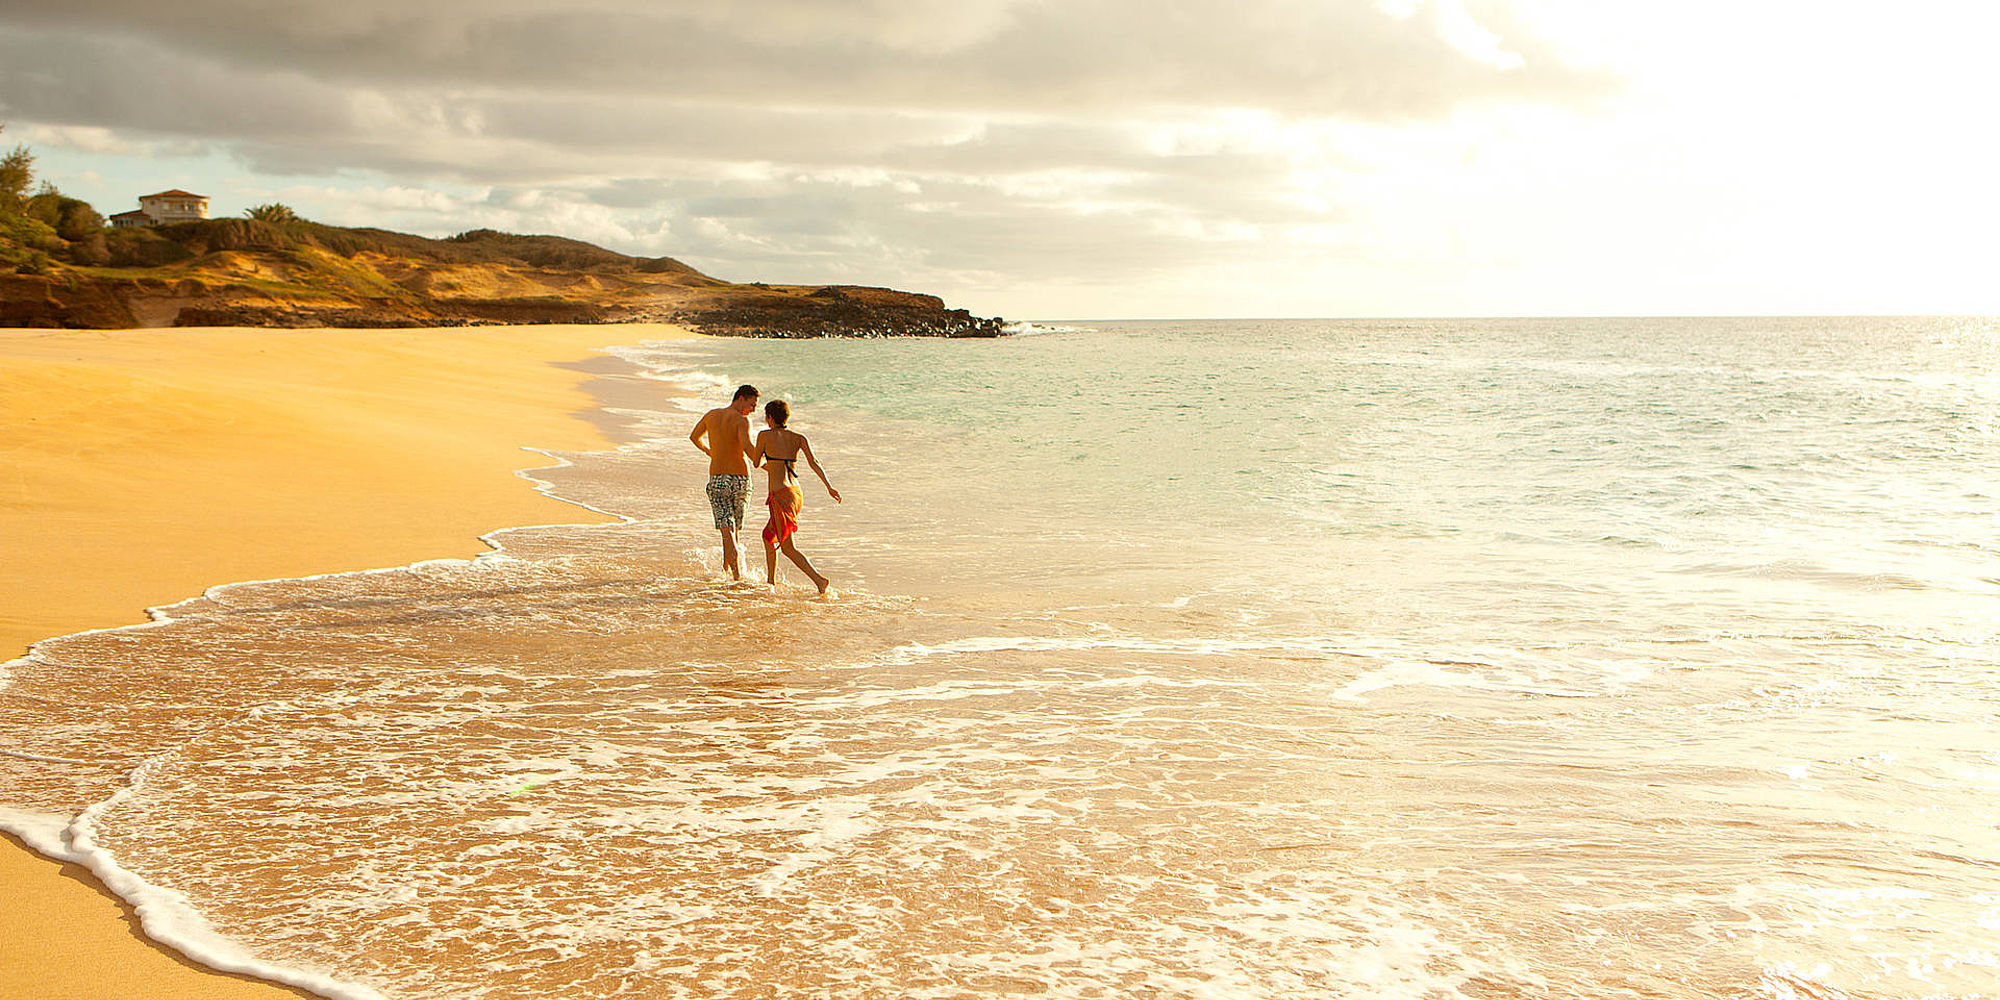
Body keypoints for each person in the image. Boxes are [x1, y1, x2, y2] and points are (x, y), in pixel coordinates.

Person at [751, 398, 841, 594]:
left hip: (780, 495)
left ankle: (819, 580)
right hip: (796, 494)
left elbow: (756, 462)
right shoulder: (799, 438)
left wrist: (769, 465)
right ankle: (770, 583)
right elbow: (814, 462)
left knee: (787, 548)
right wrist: (829, 487)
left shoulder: (764, 436)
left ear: (769, 418)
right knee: (768, 536)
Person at [688, 384, 760, 580]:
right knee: (734, 531)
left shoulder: (711, 416)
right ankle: (737, 577)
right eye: (752, 404)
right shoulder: (742, 420)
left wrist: (709, 451)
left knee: (727, 532)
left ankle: (728, 572)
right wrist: (763, 462)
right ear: (741, 398)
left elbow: (694, 437)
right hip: (741, 480)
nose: (753, 410)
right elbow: (747, 447)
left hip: (718, 478)